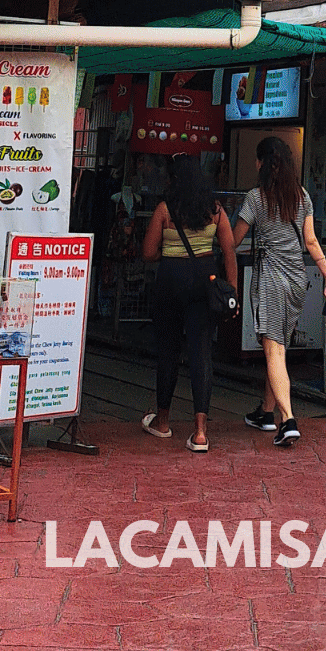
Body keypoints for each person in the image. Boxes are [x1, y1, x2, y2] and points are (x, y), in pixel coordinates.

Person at [233, 135, 326, 447]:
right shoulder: (302, 196)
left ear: (263, 163)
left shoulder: (255, 198)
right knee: (278, 347)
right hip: (296, 279)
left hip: (270, 279)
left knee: (273, 348)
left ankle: (288, 420)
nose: (254, 164)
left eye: (256, 159)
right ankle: (266, 412)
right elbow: (311, 242)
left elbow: (234, 239)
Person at [142, 154, 238, 453]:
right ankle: (199, 433)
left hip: (170, 282)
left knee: (168, 352)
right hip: (204, 284)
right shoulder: (216, 211)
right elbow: (229, 251)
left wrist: (169, 257)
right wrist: (232, 290)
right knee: (201, 353)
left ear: (173, 179)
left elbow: (148, 252)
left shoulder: (164, 210)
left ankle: (163, 421)